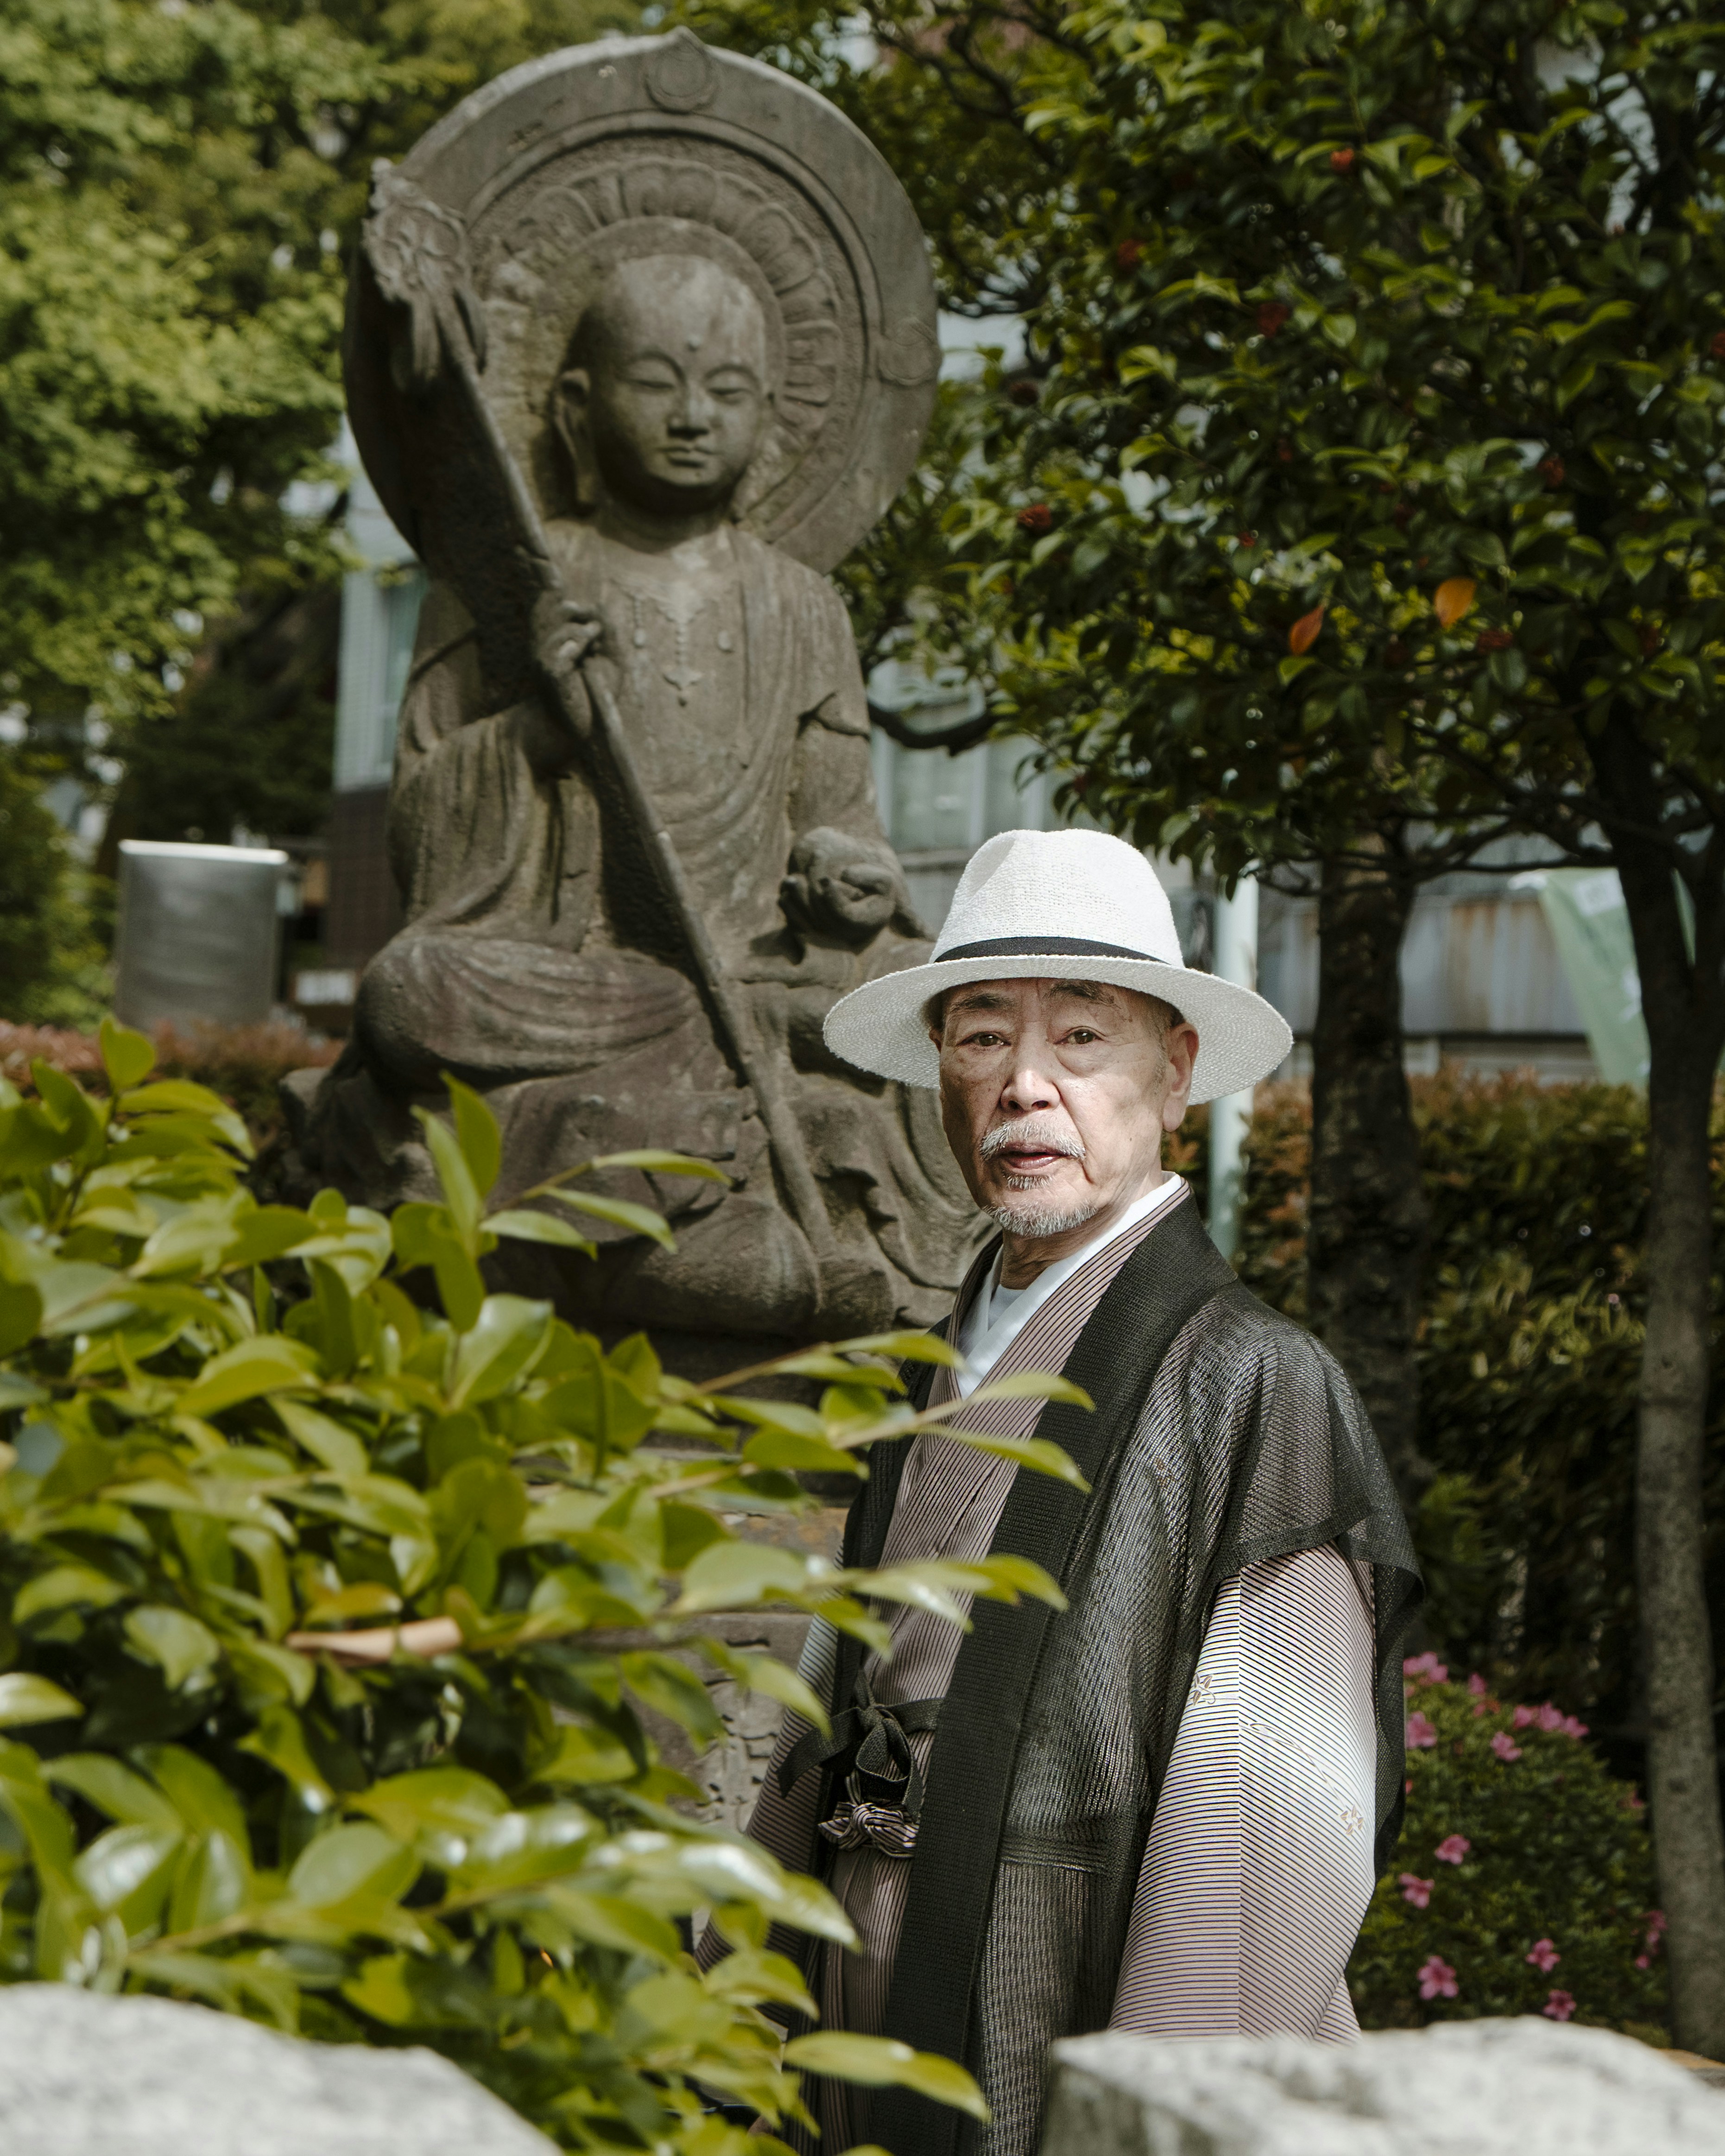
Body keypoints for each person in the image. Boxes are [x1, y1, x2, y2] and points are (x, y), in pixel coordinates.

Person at [702, 827, 1421, 2156]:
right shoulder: (928, 1358)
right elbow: (820, 1720)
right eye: (980, 1038)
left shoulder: (1256, 1385)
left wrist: (1153, 2112)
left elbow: (1264, 1832)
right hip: (850, 1999)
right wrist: (730, 1994)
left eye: (1080, 1037)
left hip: (1065, 2009)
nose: (1023, 1085)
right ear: (939, 1073)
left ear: (1175, 1069)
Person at [326, 252, 980, 1334]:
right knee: (409, 989)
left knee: (931, 995)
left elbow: (839, 823)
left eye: (725, 392)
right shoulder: (505, 584)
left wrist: (849, 881)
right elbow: (420, 828)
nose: (690, 417)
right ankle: (698, 1162)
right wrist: (537, 728)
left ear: (769, 417)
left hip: (764, 982)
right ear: (578, 408)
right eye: (655, 383)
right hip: (584, 982)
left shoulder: (803, 605)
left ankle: (710, 1176)